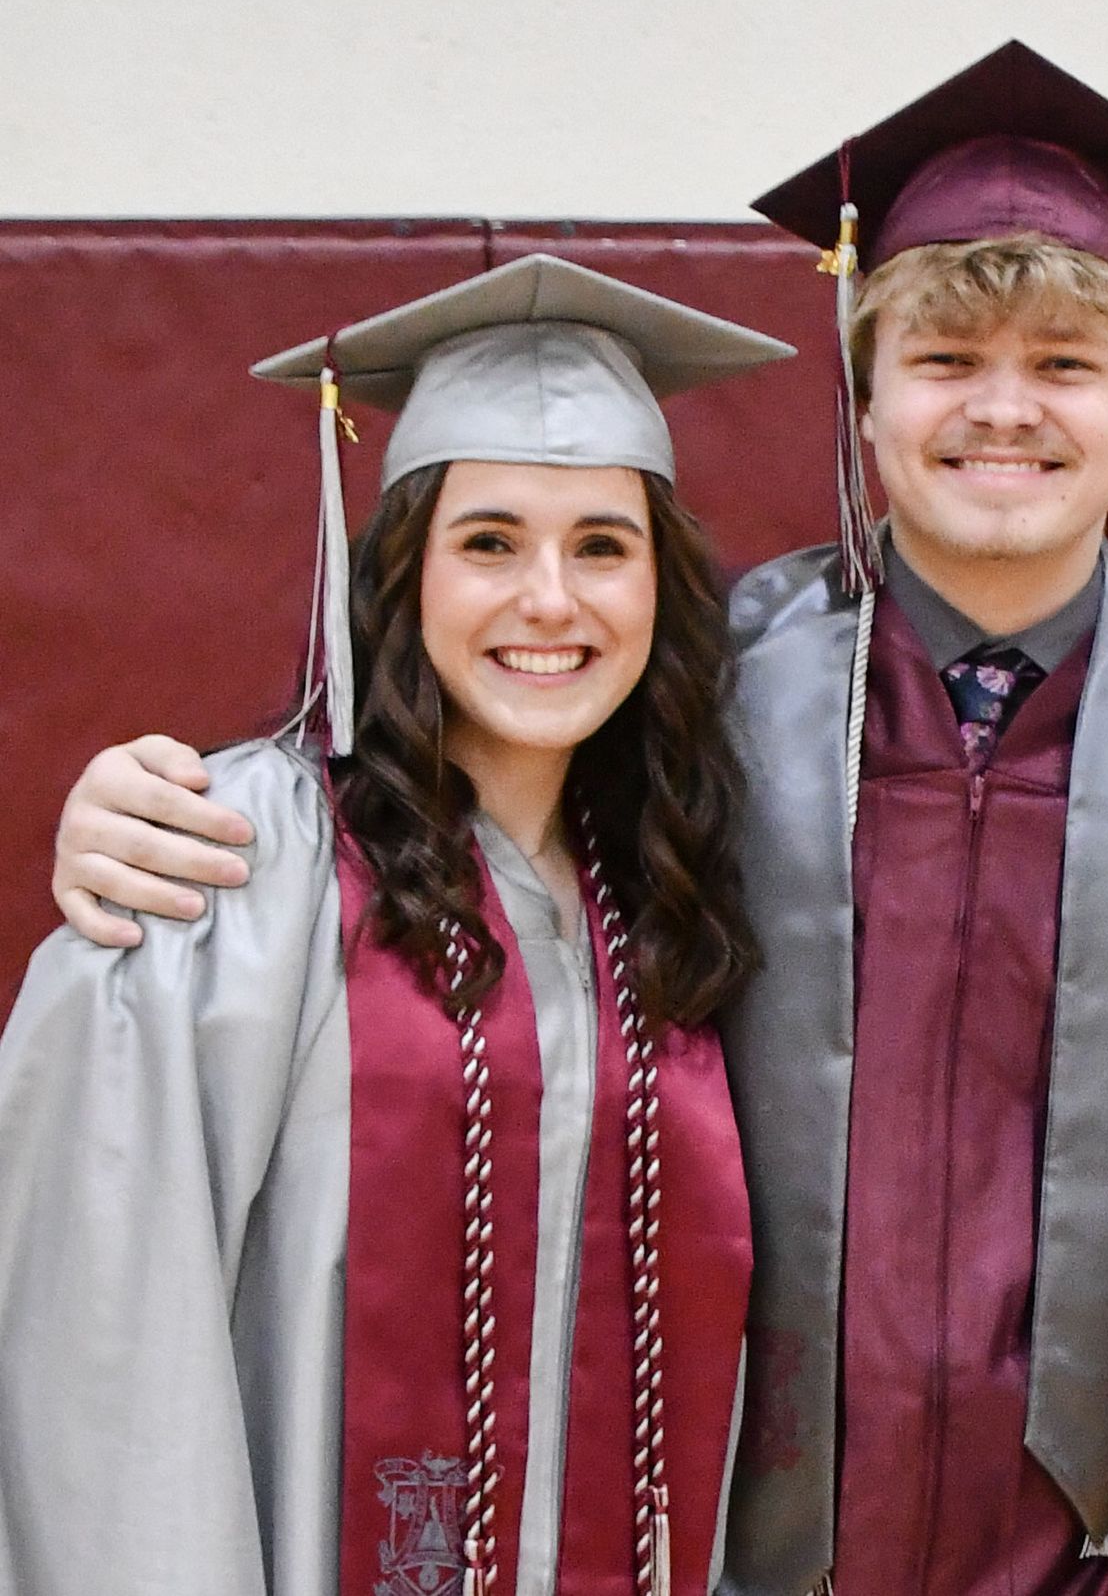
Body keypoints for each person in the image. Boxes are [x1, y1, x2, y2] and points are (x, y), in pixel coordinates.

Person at [41, 48, 1108, 1596]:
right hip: (721, 1536)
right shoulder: (682, 698)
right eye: (945, 352)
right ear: (864, 392)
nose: (1005, 405)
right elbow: (435, 794)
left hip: (1090, 1557)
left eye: (1065, 361)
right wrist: (146, 817)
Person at [0, 254, 792, 1595]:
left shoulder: (665, 890)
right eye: (489, 541)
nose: (552, 599)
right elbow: (99, 1358)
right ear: (399, 573)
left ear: (663, 590)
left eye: (603, 544)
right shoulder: (228, 864)